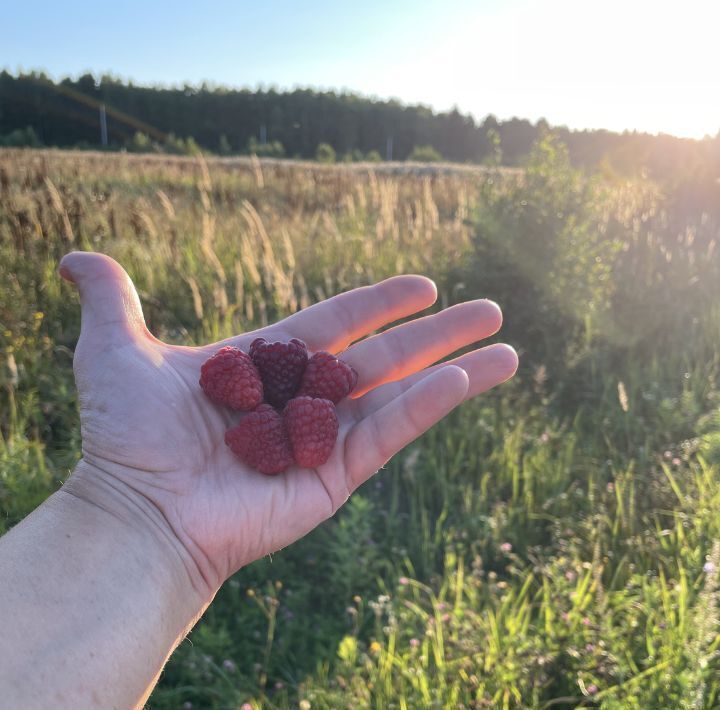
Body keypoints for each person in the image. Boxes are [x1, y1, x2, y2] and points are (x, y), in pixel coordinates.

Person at [0, 251, 518, 708]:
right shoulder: (261, 405)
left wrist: (133, 513)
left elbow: (300, 396)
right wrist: (129, 496)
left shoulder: (288, 402)